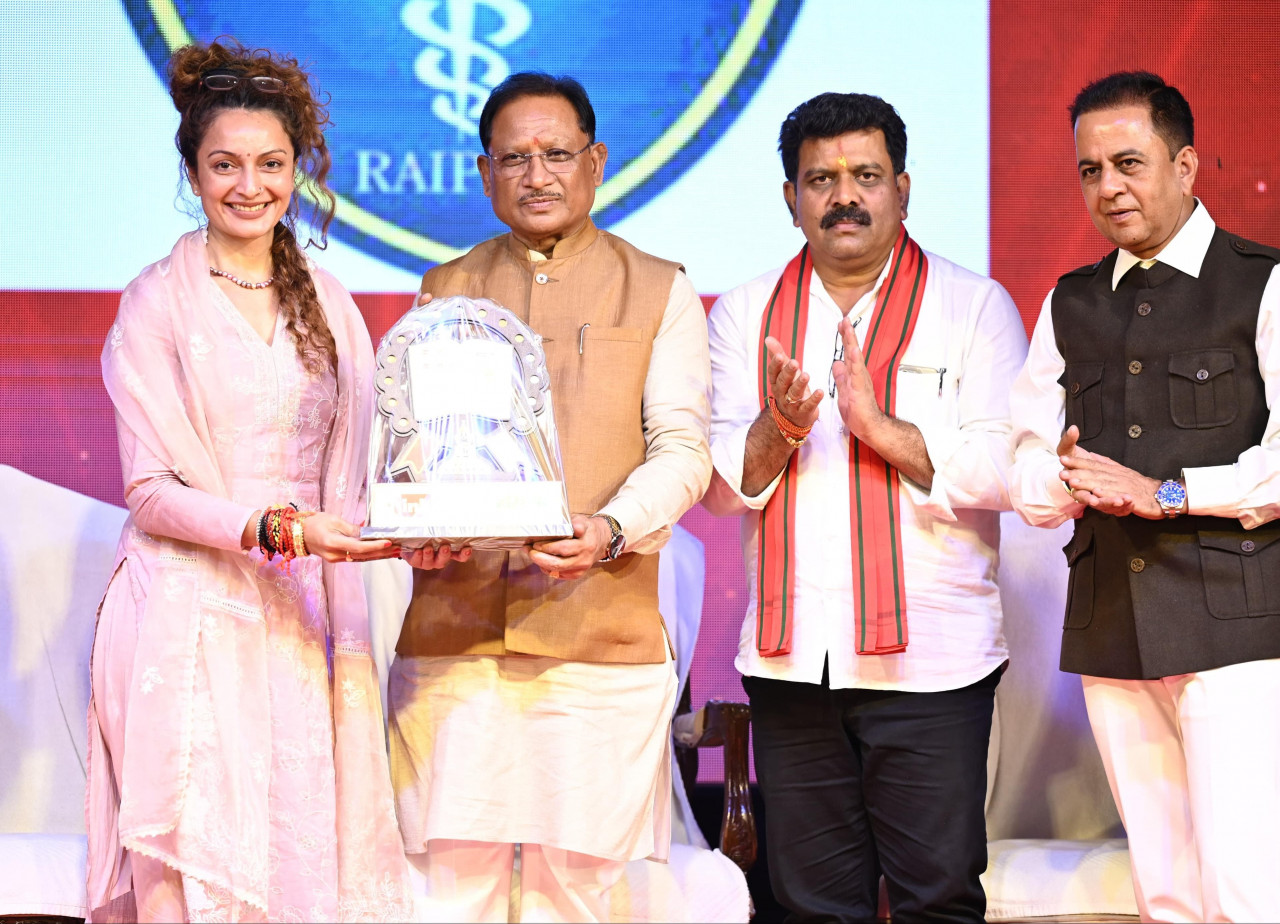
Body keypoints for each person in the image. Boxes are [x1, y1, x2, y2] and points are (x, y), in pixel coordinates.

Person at [87, 40, 410, 922]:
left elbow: (362, 475)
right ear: (192, 174)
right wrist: (284, 531)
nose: (249, 185)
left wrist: (417, 532)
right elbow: (150, 491)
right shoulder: (156, 301)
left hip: (305, 618)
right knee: (201, 873)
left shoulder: (330, 302)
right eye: (224, 164)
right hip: (185, 614)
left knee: (301, 867)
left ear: (297, 169)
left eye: (271, 163)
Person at [386, 72, 711, 922]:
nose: (537, 175)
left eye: (557, 154)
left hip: (599, 638)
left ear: (595, 162)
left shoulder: (659, 287)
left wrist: (610, 528)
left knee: (580, 897)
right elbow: (414, 450)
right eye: (514, 159)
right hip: (454, 640)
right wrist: (417, 525)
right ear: (484, 173)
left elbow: (683, 451)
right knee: (448, 894)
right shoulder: (444, 288)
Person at [703, 92, 1027, 922]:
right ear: (791, 198)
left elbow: (1005, 470)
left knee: (937, 899)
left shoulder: (973, 305)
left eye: (867, 176)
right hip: (792, 665)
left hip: (934, 664)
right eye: (821, 180)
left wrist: (883, 430)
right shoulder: (745, 313)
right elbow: (720, 485)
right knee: (812, 906)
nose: (844, 196)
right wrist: (780, 428)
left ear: (904, 189)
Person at [1009, 71, 1280, 923]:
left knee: (1245, 885)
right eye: (1090, 171)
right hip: (1112, 620)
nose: (1109, 188)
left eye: (1129, 163)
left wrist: (1164, 492)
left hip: (1236, 625)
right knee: (1162, 890)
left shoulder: (1262, 283)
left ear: (1185, 165)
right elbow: (1024, 465)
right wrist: (1060, 476)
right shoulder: (1070, 301)